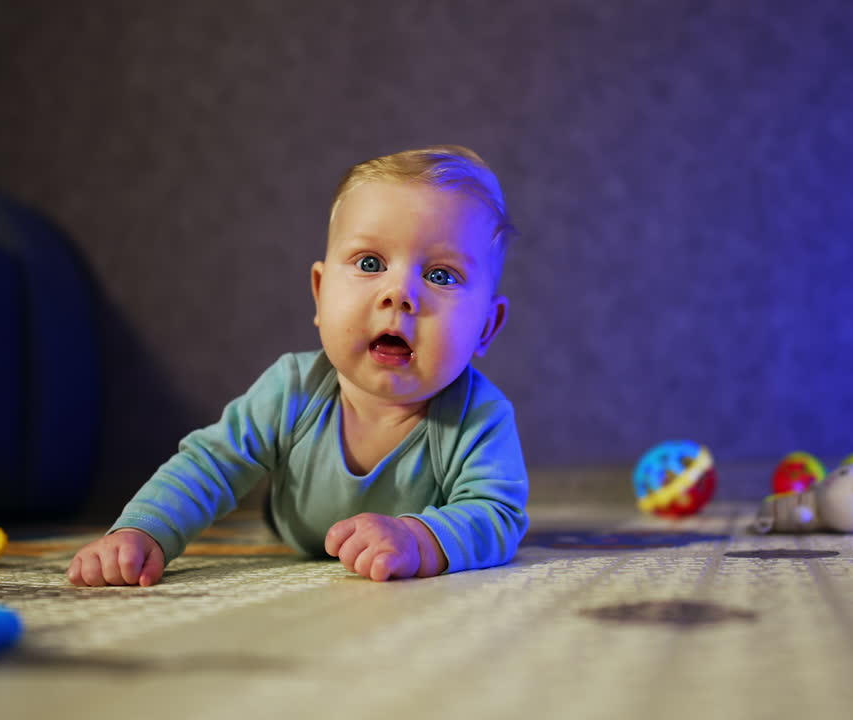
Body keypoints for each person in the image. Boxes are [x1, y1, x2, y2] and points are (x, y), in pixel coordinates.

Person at [67, 145, 529, 586]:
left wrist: (416, 539)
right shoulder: (292, 388)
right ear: (319, 291)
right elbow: (209, 465)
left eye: (440, 275)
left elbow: (497, 512)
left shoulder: (479, 417)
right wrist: (141, 533)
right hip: (293, 528)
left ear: (487, 326)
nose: (399, 294)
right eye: (370, 262)